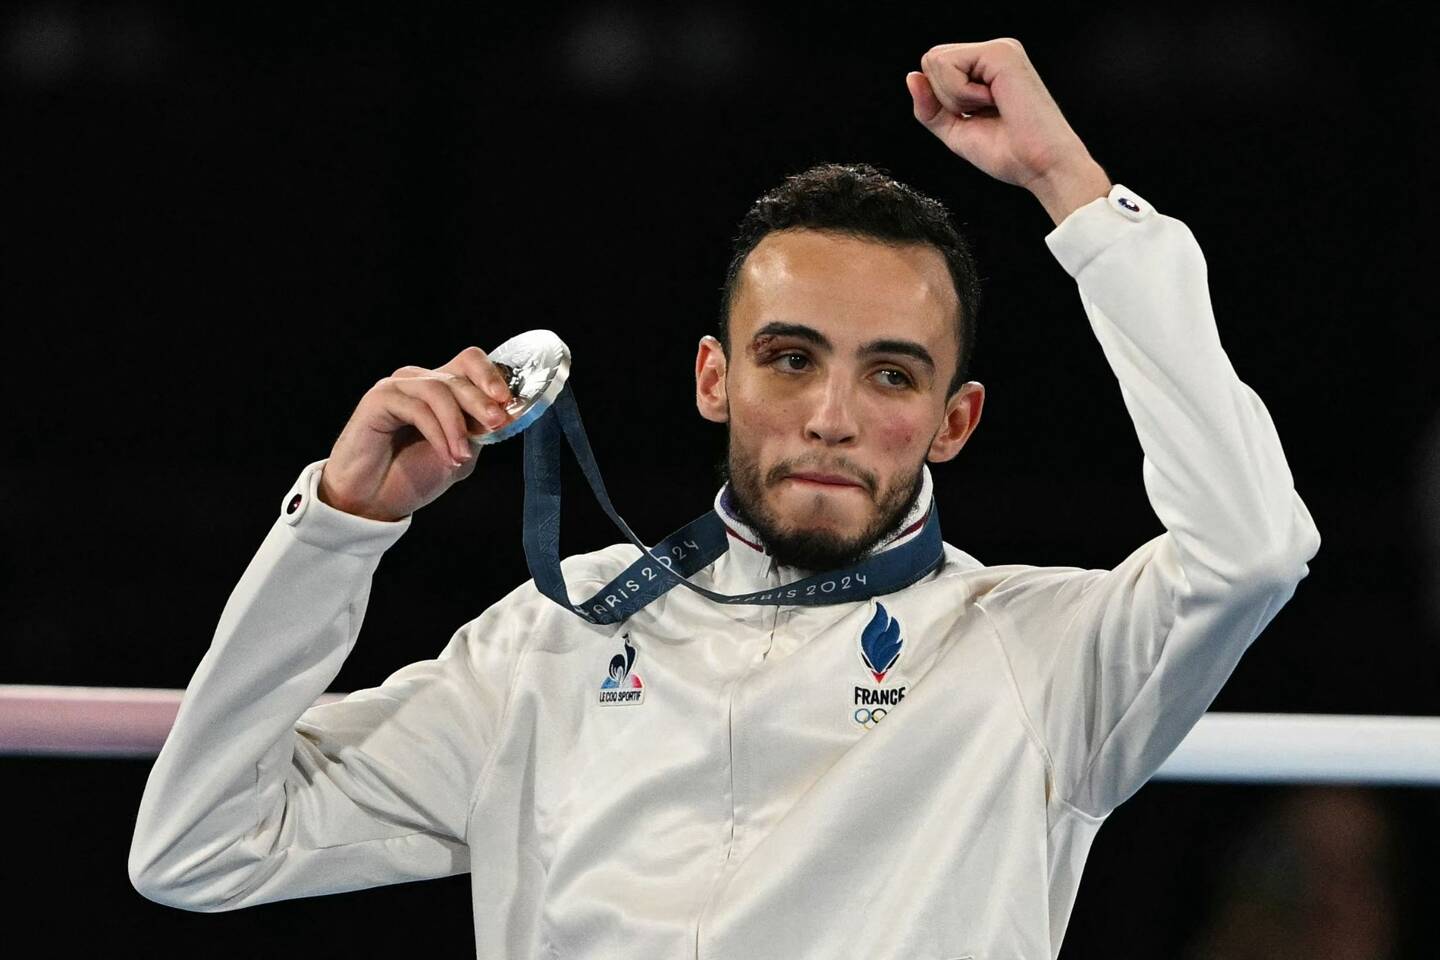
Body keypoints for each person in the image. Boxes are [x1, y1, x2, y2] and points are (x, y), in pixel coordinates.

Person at [128, 38, 1321, 959]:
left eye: (891, 374)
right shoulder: (553, 637)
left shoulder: (1042, 658)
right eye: (792, 358)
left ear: (956, 422)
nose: (832, 417)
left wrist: (1071, 186)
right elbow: (201, 845)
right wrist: (342, 526)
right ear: (717, 378)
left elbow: (1254, 550)